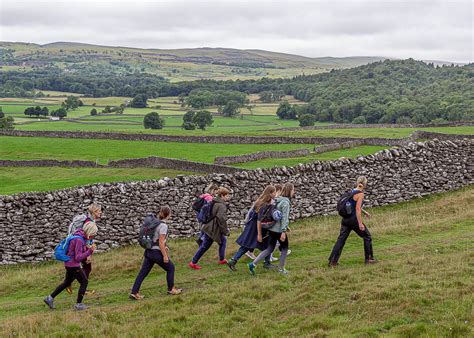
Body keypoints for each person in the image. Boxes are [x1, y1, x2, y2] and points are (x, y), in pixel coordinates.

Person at [130, 206, 182, 299]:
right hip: (155, 253)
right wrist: (165, 256)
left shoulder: (154, 223)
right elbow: (161, 242)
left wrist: (164, 246)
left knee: (143, 272)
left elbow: (156, 239)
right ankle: (171, 289)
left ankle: (134, 292)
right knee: (171, 268)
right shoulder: (163, 226)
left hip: (149, 251)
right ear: (168, 215)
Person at [43, 221, 98, 311]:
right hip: (73, 265)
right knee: (84, 282)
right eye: (93, 233)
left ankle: (49, 298)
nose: (94, 236)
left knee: (67, 283)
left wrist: (87, 249)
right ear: (89, 232)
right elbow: (78, 257)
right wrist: (90, 251)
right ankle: (79, 304)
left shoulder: (78, 235)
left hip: (68, 264)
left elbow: (75, 252)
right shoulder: (79, 240)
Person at [328, 176, 376, 266]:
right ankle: (369, 259)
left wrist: (365, 212)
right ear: (364, 184)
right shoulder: (361, 194)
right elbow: (357, 209)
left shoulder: (351, 191)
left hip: (345, 220)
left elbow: (352, 205)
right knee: (367, 236)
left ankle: (333, 261)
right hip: (353, 220)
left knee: (341, 240)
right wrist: (360, 223)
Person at [227, 185, 277, 271]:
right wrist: (259, 235)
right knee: (251, 245)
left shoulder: (261, 201)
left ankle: (233, 260)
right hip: (256, 228)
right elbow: (259, 220)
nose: (275, 194)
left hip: (253, 227)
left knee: (249, 245)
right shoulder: (263, 204)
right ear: (270, 193)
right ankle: (266, 263)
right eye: (274, 192)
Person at [248, 183, 294, 275]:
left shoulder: (276, 200)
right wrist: (284, 231)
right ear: (290, 191)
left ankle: (253, 264)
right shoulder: (285, 203)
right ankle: (281, 269)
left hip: (271, 228)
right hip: (279, 230)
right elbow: (284, 217)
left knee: (269, 249)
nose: (294, 192)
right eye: (293, 190)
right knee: (284, 249)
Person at [189, 187, 231, 269]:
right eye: (227, 196)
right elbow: (221, 219)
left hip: (209, 227)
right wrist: (225, 231)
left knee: (223, 241)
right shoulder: (221, 205)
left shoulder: (214, 201)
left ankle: (221, 259)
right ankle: (193, 262)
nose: (228, 197)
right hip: (212, 229)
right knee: (205, 246)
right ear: (222, 195)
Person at [66, 203, 102, 296]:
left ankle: (69, 283)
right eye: (99, 211)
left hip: (82, 247)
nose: (101, 212)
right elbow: (87, 237)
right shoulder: (88, 221)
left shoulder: (90, 220)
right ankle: (77, 286)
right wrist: (88, 253)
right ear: (94, 212)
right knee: (86, 267)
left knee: (81, 268)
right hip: (82, 247)